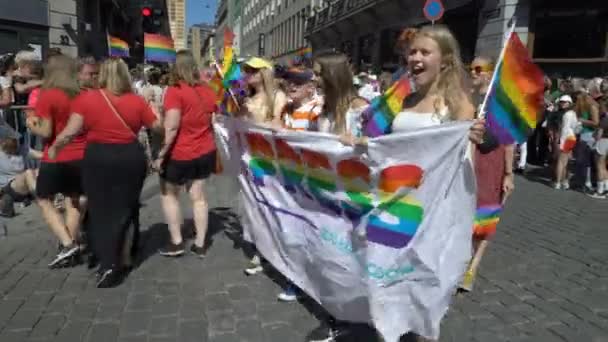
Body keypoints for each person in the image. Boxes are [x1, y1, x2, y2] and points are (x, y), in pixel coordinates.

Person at [387, 25, 484, 342]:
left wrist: (478, 136)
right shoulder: (407, 100)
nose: (414, 57)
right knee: (395, 284)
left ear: (444, 60)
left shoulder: (457, 105)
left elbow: (464, 168)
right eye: (412, 51)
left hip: (435, 214)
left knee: (426, 291)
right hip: (400, 203)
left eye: (424, 52)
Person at [48, 58, 161, 287]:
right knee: (127, 208)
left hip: (98, 158)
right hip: (131, 157)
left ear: (102, 75)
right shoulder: (137, 101)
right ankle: (125, 257)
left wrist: (54, 148)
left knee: (100, 210)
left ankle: (108, 260)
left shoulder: (87, 99)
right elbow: (157, 127)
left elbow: (70, 131)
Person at [25, 54, 86, 268]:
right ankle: (69, 245)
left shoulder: (48, 95)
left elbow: (46, 131)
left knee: (43, 199)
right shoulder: (81, 94)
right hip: (81, 155)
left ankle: (68, 244)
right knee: (73, 199)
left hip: (57, 155)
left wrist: (31, 124)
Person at [155, 50, 217, 258]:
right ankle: (200, 243)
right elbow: (214, 122)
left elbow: (171, 127)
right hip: (205, 150)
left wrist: (161, 154)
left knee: (169, 194)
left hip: (181, 153)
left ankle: (177, 241)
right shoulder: (208, 90)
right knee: (198, 197)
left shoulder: (175, 90)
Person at [460, 56, 515, 292]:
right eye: (470, 68)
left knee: (485, 214)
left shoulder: (500, 104)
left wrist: (509, 174)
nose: (473, 72)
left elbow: (509, 141)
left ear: (490, 73)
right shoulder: (464, 97)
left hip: (490, 163)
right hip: (465, 161)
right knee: (461, 212)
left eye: (478, 69)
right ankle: (459, 260)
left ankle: (473, 265)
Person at [238, 57, 288, 275]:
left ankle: (273, 250)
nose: (248, 74)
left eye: (253, 70)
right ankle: (261, 248)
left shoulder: (277, 96)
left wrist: (255, 117)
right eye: (247, 71)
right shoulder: (247, 98)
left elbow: (277, 125)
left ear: (264, 73)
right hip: (250, 159)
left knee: (271, 205)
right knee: (255, 206)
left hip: (271, 161)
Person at [312, 51, 369, 140]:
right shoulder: (325, 109)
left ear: (333, 76)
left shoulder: (359, 109)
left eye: (318, 74)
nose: (313, 79)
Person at [0, 125, 38, 217]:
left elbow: (39, 154)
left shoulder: (21, 149)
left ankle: (54, 196)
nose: (15, 142)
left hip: (25, 185)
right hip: (8, 187)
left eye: (15, 140)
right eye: (12, 140)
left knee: (39, 171)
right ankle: (43, 198)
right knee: (29, 172)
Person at [573, 92, 599, 191]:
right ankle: (582, 181)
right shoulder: (581, 108)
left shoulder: (592, 107)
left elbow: (596, 123)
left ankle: (587, 182)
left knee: (586, 161)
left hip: (589, 135)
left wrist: (582, 120)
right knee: (581, 161)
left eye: (578, 99)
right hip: (581, 135)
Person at [555, 95, 578, 190]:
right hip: (571, 137)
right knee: (565, 161)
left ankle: (558, 182)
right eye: (561, 102)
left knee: (561, 161)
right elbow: (576, 127)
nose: (562, 103)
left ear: (569, 103)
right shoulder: (572, 113)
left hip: (566, 138)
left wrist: (560, 142)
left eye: (565, 102)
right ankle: (564, 182)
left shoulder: (567, 114)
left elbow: (564, 129)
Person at [590, 111, 608, 198]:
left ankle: (600, 191)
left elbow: (599, 133)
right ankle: (606, 189)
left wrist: (594, 142)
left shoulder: (605, 119)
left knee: (599, 166)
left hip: (603, 141)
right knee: (604, 166)